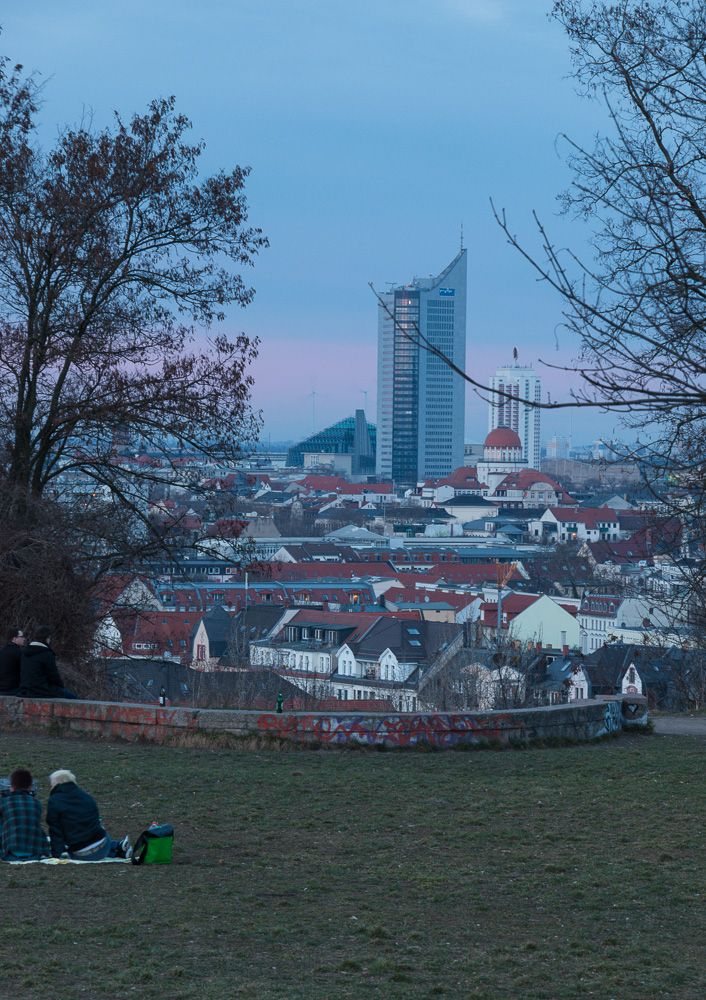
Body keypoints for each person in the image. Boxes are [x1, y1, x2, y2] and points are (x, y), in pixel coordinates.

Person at [46, 769, 131, 861]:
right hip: (103, 845)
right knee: (94, 834)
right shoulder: (86, 796)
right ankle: (118, 848)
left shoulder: (54, 801)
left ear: (55, 784)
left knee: (78, 842)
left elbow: (56, 831)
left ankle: (118, 851)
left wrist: (56, 855)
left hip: (81, 854)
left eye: (51, 786)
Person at [0, 768, 48, 861]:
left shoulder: (4, 802)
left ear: (12, 786)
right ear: (29, 787)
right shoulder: (36, 802)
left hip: (10, 855)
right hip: (35, 854)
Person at [20, 627, 78, 700]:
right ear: (47, 638)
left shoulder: (24, 652)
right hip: (41, 690)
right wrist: (60, 686)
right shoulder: (47, 654)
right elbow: (53, 675)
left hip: (25, 690)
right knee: (73, 697)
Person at [0, 628, 25, 696]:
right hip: (13, 689)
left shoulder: (1, 651)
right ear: (14, 639)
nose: (24, 638)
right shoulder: (19, 653)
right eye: (21, 637)